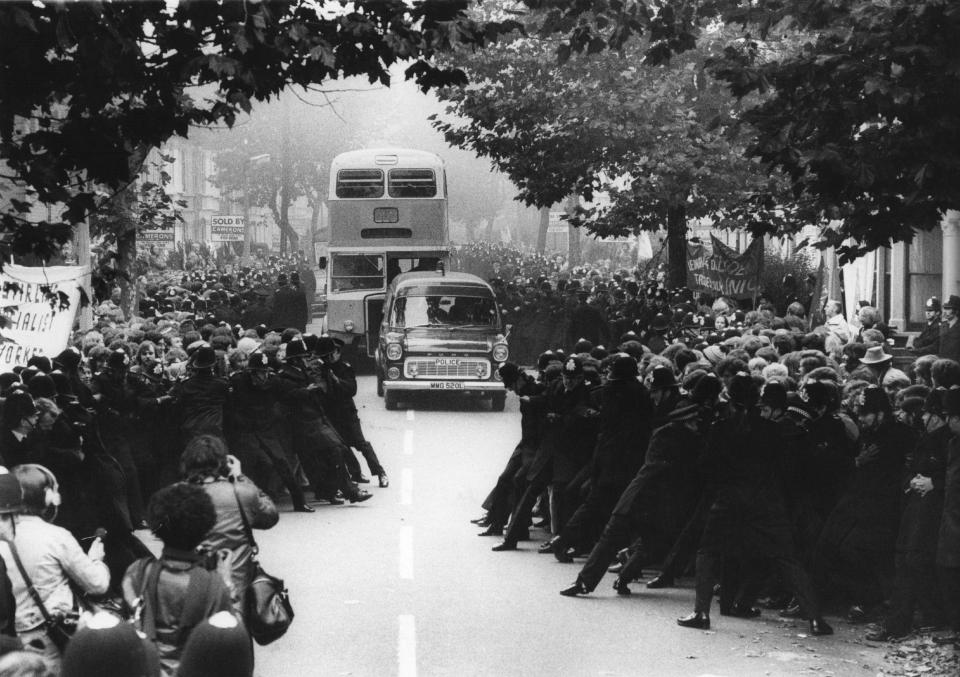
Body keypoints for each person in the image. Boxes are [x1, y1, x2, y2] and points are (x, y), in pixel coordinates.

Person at [1, 465, 110, 670]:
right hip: (51, 636)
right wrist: (97, 560)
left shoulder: (3, 534)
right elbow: (97, 584)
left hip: (13, 639)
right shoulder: (56, 536)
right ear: (47, 496)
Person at [122, 483, 232, 677]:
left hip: (150, 668)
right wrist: (226, 581)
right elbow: (231, 632)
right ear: (205, 527)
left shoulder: (137, 572)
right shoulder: (213, 583)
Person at [180, 435, 278, 618]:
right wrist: (240, 477)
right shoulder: (242, 492)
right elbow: (270, 517)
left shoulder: (175, 495)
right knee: (237, 637)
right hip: (236, 585)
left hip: (188, 584)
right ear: (223, 463)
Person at [940, 295, 960, 363]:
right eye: (944, 308)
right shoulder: (943, 325)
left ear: (956, 310)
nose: (944, 311)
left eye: (948, 309)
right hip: (942, 364)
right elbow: (936, 345)